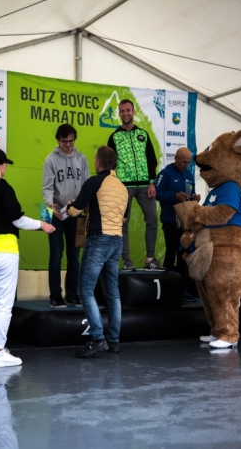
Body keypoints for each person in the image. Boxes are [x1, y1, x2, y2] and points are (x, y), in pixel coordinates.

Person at [0, 148, 55, 369]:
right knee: (3, 304)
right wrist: (42, 225)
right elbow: (17, 220)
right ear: (0, 167)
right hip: (3, 251)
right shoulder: (4, 188)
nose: (6, 167)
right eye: (5, 164)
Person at [67, 146, 128, 358]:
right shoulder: (122, 187)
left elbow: (74, 211)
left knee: (85, 290)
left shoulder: (94, 182)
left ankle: (97, 339)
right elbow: (124, 218)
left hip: (98, 240)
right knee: (113, 294)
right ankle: (114, 341)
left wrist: (71, 205)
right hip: (117, 241)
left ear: (98, 162)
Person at [107, 99, 164, 272]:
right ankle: (126, 260)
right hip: (123, 187)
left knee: (152, 219)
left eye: (128, 110)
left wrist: (152, 183)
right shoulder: (114, 137)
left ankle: (150, 258)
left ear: (133, 111)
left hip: (145, 186)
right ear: (119, 113)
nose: (125, 113)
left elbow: (152, 160)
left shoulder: (143, 134)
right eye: (122, 111)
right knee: (123, 223)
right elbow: (109, 163)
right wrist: (114, 185)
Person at [42, 124, 90, 308]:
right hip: (56, 212)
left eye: (71, 141)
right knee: (56, 254)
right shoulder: (51, 160)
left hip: (76, 213)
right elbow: (47, 187)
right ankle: (55, 295)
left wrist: (83, 205)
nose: (68, 145)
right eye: (64, 142)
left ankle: (72, 294)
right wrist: (49, 204)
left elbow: (86, 185)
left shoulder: (82, 159)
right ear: (58, 140)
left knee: (74, 256)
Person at [155, 147, 201, 301]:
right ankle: (167, 289)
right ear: (175, 159)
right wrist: (173, 196)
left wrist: (194, 198)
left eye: (188, 162)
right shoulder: (165, 173)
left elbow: (190, 195)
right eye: (183, 162)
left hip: (185, 223)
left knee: (184, 256)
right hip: (170, 221)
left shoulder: (189, 175)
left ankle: (184, 288)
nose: (185, 165)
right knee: (171, 252)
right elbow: (157, 193)